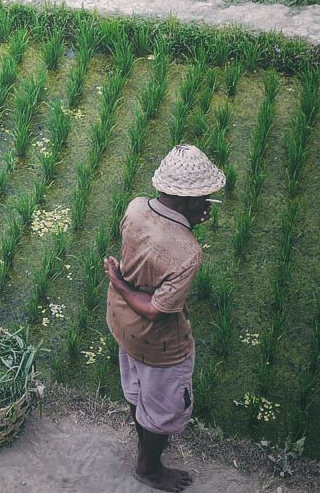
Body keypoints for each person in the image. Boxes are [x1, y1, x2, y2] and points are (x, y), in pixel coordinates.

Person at [104, 144, 223, 492]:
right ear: (187, 200)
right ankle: (149, 468)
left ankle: (144, 446)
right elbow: (156, 308)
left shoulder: (136, 207)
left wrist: (119, 285)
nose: (208, 203)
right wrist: (121, 285)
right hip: (160, 344)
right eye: (204, 197)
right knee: (163, 411)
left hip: (122, 325)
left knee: (137, 391)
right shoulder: (189, 252)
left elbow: (157, 242)